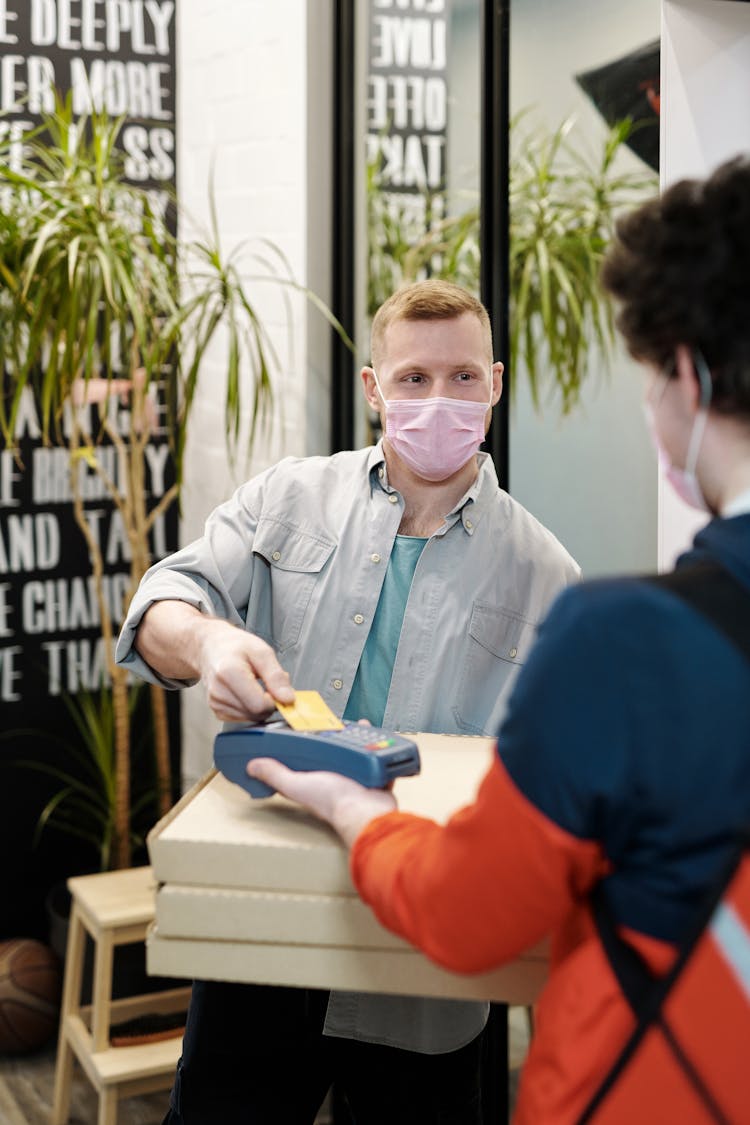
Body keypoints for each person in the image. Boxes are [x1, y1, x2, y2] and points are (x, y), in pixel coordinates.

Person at [247, 158, 750, 1123]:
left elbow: (471, 911)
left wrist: (355, 809)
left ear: (685, 373)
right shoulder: (293, 496)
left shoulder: (623, 641)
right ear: (373, 386)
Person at [116, 279, 579, 1124]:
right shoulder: (289, 498)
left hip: (427, 974)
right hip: (262, 940)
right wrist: (211, 640)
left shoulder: (547, 576)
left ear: (496, 384)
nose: (439, 400)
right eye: (413, 379)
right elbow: (160, 605)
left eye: (463, 377)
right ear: (373, 388)